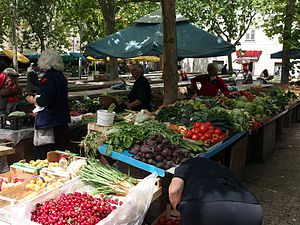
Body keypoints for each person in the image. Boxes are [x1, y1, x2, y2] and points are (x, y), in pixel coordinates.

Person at [169, 157, 263, 225]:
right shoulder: (222, 169)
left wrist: (178, 210)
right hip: (252, 209)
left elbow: (174, 190)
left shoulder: (187, 165)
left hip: (208, 209)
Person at [26, 49, 70, 160]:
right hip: (61, 118)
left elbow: (46, 100)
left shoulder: (49, 77)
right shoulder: (61, 76)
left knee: (46, 154)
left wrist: (33, 100)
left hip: (50, 122)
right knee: (59, 152)